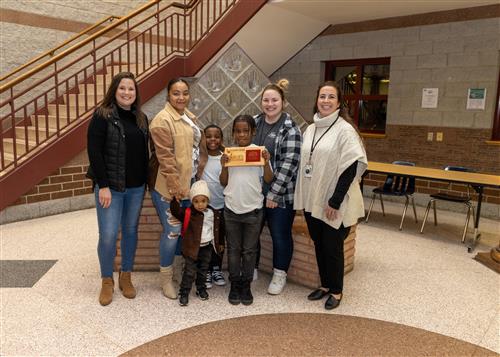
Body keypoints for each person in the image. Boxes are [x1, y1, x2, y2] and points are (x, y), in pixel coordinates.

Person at [294, 81, 367, 310]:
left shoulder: (345, 130)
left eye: (331, 97)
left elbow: (351, 166)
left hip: (334, 200)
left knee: (332, 246)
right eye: (322, 96)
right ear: (317, 100)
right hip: (312, 198)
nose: (325, 101)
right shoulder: (311, 128)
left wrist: (335, 200)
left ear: (338, 102)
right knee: (319, 244)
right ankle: (325, 285)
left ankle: (336, 291)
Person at [87, 72, 149, 306]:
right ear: (114, 90)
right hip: (110, 188)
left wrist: (146, 183)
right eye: (122, 88)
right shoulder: (102, 115)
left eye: (131, 89)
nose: (126, 93)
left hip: (135, 187)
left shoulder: (141, 118)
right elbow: (94, 152)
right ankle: (106, 280)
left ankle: (126, 276)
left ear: (136, 93)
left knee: (130, 231)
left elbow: (144, 153)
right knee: (109, 235)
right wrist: (102, 185)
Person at [149, 78, 207, 299]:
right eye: (176, 93)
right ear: (168, 95)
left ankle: (182, 272)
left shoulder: (188, 117)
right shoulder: (162, 121)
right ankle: (165, 279)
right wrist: (177, 190)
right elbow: (166, 159)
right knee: (172, 232)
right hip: (169, 189)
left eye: (184, 93)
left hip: (188, 187)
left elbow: (194, 151)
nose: (181, 97)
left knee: (183, 232)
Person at [253, 79, 302, 295]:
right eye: (266, 100)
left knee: (280, 236)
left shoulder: (291, 128)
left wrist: (273, 193)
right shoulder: (254, 122)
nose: (270, 104)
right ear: (261, 102)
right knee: (252, 233)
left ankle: (279, 274)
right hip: (254, 193)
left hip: (280, 196)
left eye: (274, 100)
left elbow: (290, 164)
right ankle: (251, 268)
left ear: (283, 103)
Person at [220, 115, 273, 306]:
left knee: (249, 251)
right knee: (233, 250)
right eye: (238, 131)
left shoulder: (260, 152)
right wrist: (223, 166)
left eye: (246, 131)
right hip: (231, 210)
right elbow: (223, 182)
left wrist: (266, 162)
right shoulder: (229, 153)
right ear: (233, 133)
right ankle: (235, 284)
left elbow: (267, 179)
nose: (241, 134)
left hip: (253, 211)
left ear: (253, 132)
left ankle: (246, 285)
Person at [170, 180, 224, 306]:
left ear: (208, 201)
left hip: (207, 248)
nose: (200, 205)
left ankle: (201, 289)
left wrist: (220, 243)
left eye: (203, 201)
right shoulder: (188, 212)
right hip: (191, 248)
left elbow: (219, 229)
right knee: (189, 272)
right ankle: (184, 293)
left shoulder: (213, 213)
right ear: (192, 201)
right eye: (196, 201)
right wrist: (175, 201)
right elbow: (176, 212)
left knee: (203, 271)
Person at [200, 125, 226, 288]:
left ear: (221, 139)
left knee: (219, 239)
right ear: (203, 139)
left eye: (216, 136)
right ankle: (206, 270)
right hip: (204, 208)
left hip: (221, 206)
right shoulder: (200, 158)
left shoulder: (225, 157)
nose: (212, 140)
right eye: (208, 136)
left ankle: (217, 268)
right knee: (205, 240)